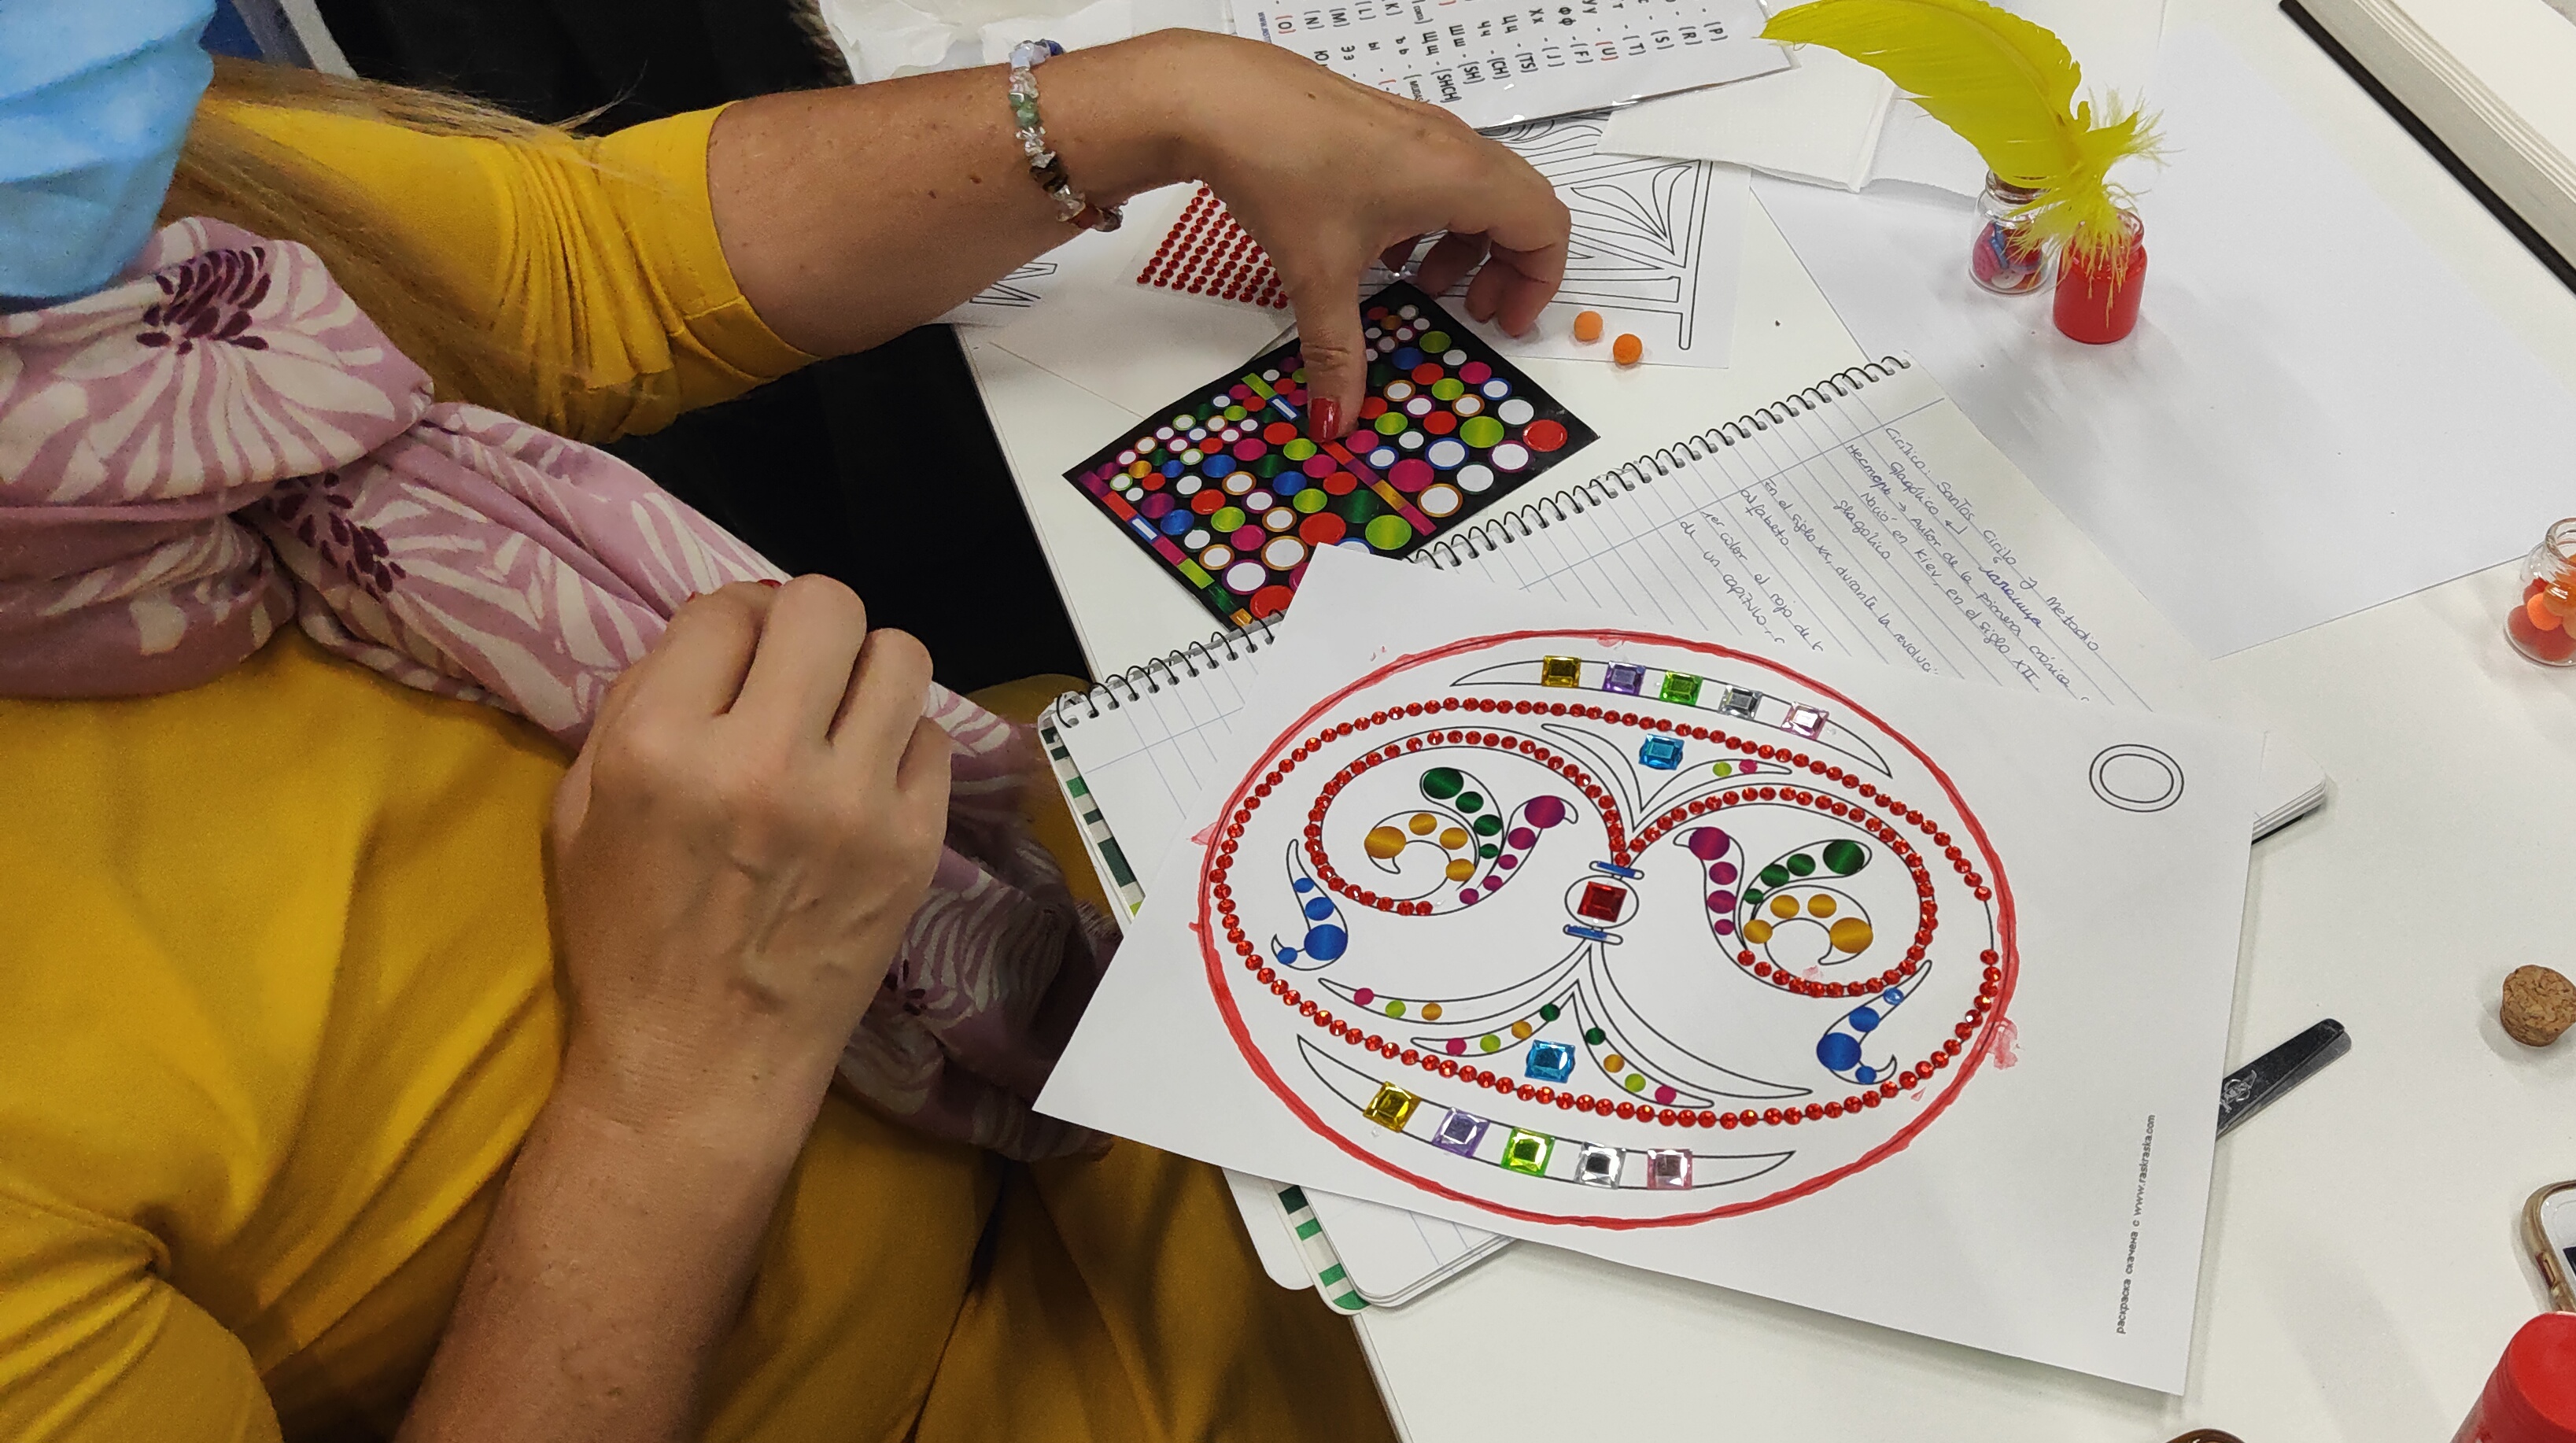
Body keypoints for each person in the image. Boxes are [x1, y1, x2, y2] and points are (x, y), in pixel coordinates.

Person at [0, 4, 1567, 1439]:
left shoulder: (89, 250)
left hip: (1036, 894)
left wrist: (1146, 101)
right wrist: (683, 1076)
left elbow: (579, 263)